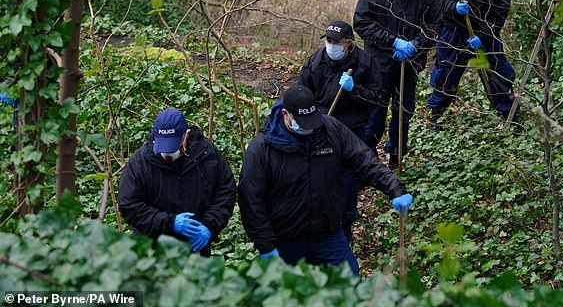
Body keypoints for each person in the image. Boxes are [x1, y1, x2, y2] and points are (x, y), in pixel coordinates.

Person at [238, 84, 413, 274]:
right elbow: (251, 200)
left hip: (327, 234)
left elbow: (364, 160)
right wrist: (266, 246)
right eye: (303, 123)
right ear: (286, 115)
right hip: (285, 240)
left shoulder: (330, 129)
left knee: (350, 285)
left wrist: (394, 188)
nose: (310, 128)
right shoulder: (262, 149)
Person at [354, 0, 468, 167]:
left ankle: (397, 155)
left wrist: (415, 44)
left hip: (411, 63)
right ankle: (367, 160)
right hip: (379, 64)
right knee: (375, 112)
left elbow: (435, 25)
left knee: (403, 111)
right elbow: (362, 23)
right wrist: (393, 42)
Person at [297, 20, 384, 243]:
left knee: (347, 179)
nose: (331, 45)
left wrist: (354, 90)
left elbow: (377, 99)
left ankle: (345, 226)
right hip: (321, 125)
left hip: (351, 129)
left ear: (348, 44)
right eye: (328, 40)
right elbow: (301, 92)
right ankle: (317, 223)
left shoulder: (365, 63)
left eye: (336, 42)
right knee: (320, 175)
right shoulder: (315, 61)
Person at [118, 109, 236, 256]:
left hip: (194, 248)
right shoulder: (141, 162)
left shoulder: (206, 155)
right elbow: (129, 204)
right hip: (153, 251)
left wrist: (209, 226)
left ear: (185, 135)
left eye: (173, 145)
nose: (167, 153)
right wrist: (169, 223)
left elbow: (225, 191)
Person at [427, 0, 515, 129]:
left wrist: (485, 34)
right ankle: (436, 116)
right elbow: (433, 1)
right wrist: (453, 7)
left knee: (498, 72)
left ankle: (509, 114)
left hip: (484, 31)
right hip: (454, 31)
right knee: (446, 72)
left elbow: (502, 7)